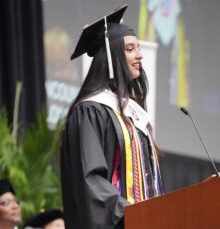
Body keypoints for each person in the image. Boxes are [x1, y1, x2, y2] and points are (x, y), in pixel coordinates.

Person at [60, 4, 163, 229]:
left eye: (138, 48)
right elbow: (91, 180)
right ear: (111, 55)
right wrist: (132, 213)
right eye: (130, 49)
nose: (140, 55)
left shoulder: (134, 114)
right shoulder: (90, 111)